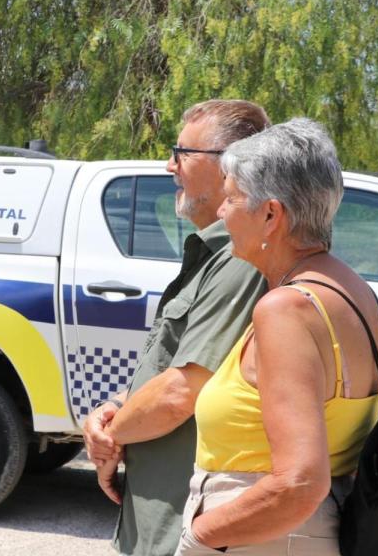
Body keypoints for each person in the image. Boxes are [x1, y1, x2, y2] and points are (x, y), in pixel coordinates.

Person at [175, 118, 378, 555]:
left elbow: (299, 483)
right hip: (315, 534)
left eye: (231, 197)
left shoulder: (285, 310)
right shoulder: (355, 291)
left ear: (271, 214)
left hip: (263, 538)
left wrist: (201, 536)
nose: (221, 211)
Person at [82, 100, 270, 556]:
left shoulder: (242, 261)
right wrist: (112, 409)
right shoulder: (211, 254)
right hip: (158, 513)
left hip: (185, 521)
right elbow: (166, 367)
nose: (169, 165)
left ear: (231, 165)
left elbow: (180, 394)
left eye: (182, 153)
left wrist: (109, 436)